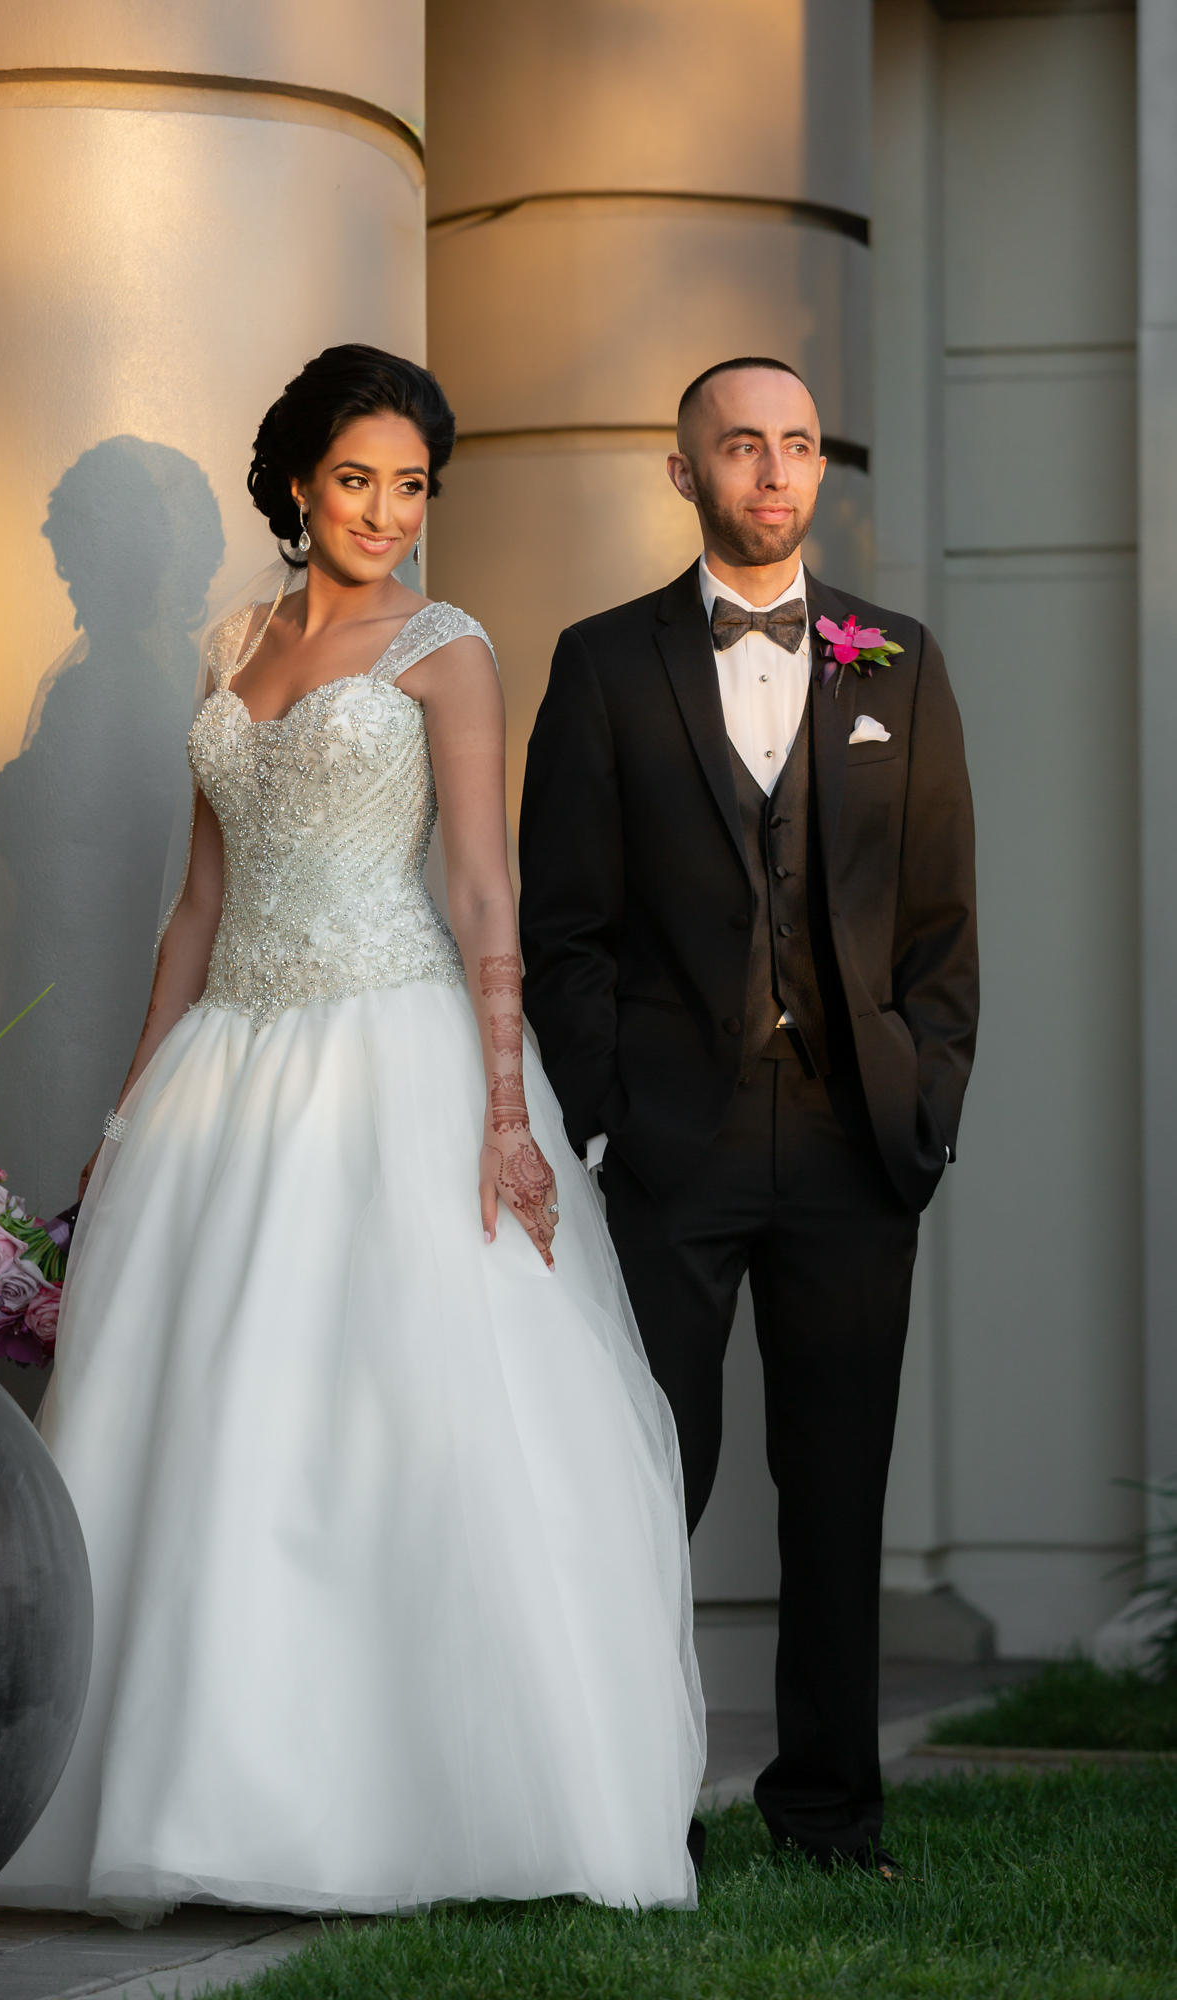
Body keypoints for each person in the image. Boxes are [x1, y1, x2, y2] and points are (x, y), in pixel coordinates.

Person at [0, 346, 704, 1922]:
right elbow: (194, 909)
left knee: (397, 1417)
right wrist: (124, 1111)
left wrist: (507, 1112)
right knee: (204, 1424)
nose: (386, 511)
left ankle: (417, 1809)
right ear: (299, 484)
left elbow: (481, 891)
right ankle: (197, 1793)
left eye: (411, 486)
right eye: (357, 479)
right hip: (226, 1069)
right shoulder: (230, 648)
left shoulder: (447, 648)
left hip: (391, 1050)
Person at [518, 356, 977, 1875]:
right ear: (683, 470)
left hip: (856, 1141)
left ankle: (828, 1810)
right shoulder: (601, 663)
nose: (772, 473)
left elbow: (938, 926)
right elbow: (563, 926)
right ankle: (627, 1803)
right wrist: (605, 1120)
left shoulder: (892, 662)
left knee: (836, 1486)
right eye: (740, 447)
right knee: (648, 1476)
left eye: (793, 447)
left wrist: (925, 1102)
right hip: (670, 1143)